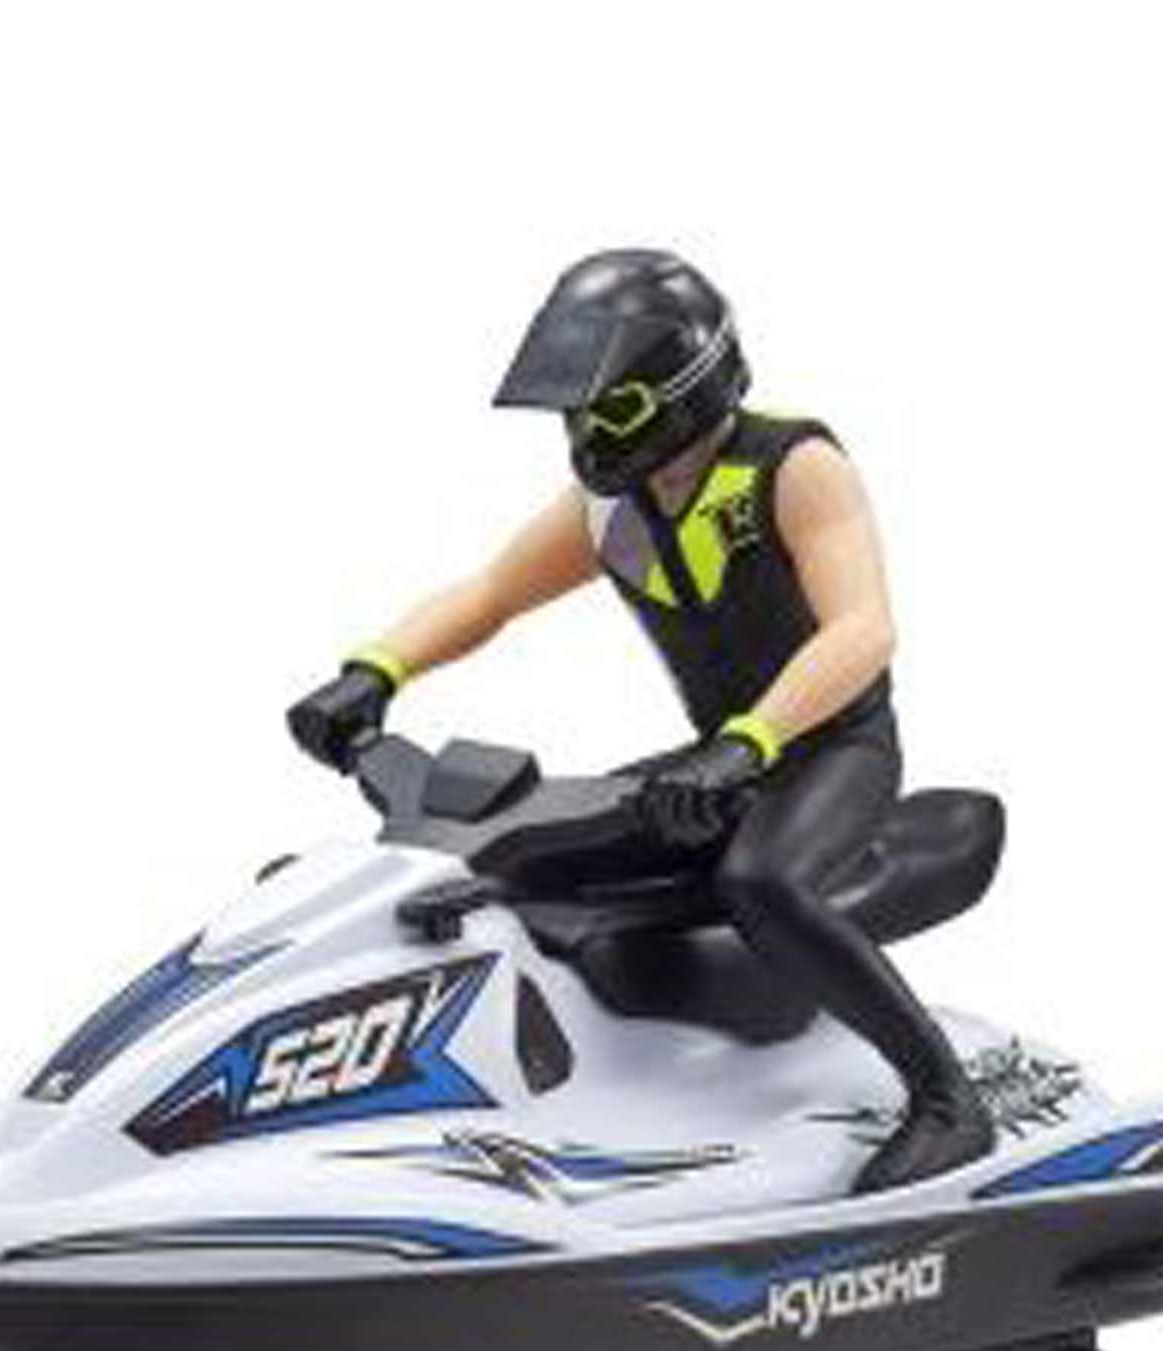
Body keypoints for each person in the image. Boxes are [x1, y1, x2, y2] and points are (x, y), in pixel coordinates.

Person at [288, 248, 991, 1191]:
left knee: (761, 882)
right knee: (515, 858)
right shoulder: (610, 512)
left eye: (609, 411)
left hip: (831, 749)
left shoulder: (794, 469)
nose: (588, 435)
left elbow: (863, 631)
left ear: (683, 389)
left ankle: (947, 1100)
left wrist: (748, 745)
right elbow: (490, 594)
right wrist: (375, 672)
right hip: (719, 760)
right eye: (577, 414)